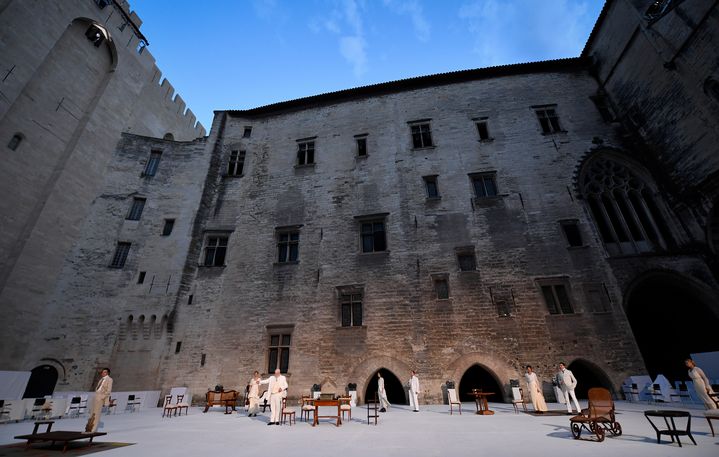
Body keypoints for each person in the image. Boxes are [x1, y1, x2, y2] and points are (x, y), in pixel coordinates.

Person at [85, 368, 113, 433]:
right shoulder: (101, 379)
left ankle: (93, 429)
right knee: (92, 413)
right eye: (102, 372)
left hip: (100, 397)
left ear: (107, 373)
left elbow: (108, 391)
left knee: (97, 414)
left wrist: (102, 397)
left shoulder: (109, 379)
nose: (102, 373)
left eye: (104, 372)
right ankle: (89, 427)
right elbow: (98, 388)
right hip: (96, 396)